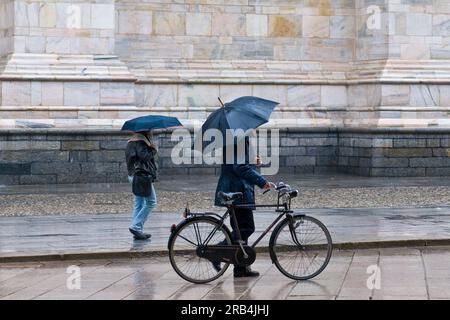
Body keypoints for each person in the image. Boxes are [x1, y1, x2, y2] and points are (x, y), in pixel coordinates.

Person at [214, 136, 274, 278]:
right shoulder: (239, 138)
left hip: (236, 188)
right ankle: (218, 251)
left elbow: (241, 162)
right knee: (247, 227)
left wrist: (253, 161)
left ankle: (241, 268)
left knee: (240, 230)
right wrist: (262, 181)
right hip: (237, 189)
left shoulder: (236, 136)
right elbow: (240, 167)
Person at [125, 130, 158, 240]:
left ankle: (137, 230)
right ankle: (136, 226)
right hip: (141, 176)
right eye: (150, 131)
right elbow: (145, 157)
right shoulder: (140, 142)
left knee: (138, 203)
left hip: (133, 175)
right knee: (151, 202)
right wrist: (153, 149)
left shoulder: (130, 142)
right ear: (146, 132)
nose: (151, 132)